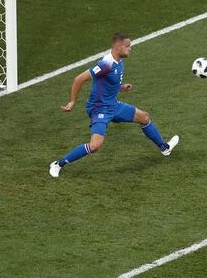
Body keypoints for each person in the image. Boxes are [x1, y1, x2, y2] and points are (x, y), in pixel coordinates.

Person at [48, 32, 179, 178]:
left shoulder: (119, 61)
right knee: (95, 145)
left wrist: (121, 87)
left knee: (144, 117)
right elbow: (79, 79)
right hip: (99, 109)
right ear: (118, 47)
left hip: (114, 106)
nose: (130, 49)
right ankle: (58, 164)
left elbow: (108, 82)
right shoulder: (105, 64)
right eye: (128, 46)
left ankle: (164, 148)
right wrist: (72, 101)